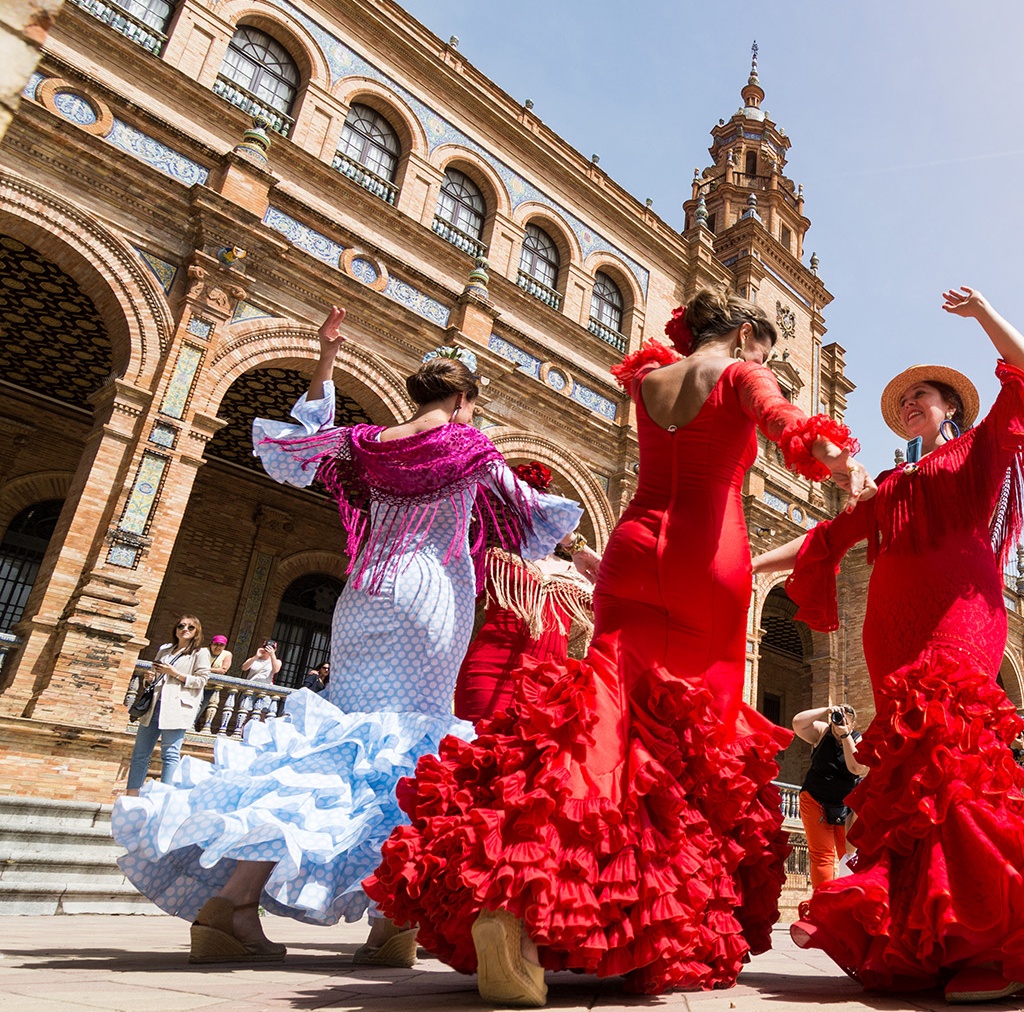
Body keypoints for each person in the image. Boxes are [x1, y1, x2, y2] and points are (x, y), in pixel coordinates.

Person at [367, 287, 869, 1005]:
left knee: (600, 723)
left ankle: (516, 901)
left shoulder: (650, 379)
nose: (768, 360)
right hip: (707, 562)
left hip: (632, 548)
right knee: (691, 746)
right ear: (748, 333)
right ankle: (640, 918)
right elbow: (795, 430)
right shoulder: (740, 374)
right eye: (764, 347)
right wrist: (838, 460)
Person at [111, 307, 581, 967]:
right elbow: (526, 513)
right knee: (411, 750)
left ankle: (234, 904)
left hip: (360, 597)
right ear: (464, 399)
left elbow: (303, 442)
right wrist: (584, 555)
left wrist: (326, 359)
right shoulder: (469, 445)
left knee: (336, 742)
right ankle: (390, 924)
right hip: (427, 598)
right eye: (471, 405)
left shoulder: (368, 444)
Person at [755, 286, 1024, 1001]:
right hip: (890, 631)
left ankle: (996, 938)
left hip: (962, 615)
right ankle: (942, 937)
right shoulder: (891, 482)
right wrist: (746, 563)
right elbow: (824, 540)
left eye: (922, 398)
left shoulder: (978, 452)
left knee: (953, 756)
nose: (909, 407)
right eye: (903, 403)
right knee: (914, 784)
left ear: (951, 409)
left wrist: (985, 312)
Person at [453, 462, 602, 723]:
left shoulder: (580, 573)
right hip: (487, 672)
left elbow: (619, 610)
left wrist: (583, 550)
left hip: (549, 686)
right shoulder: (494, 558)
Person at [124, 615, 211, 796]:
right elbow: (157, 677)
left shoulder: (200, 653)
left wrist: (174, 673)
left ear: (197, 631)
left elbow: (201, 680)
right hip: (154, 706)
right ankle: (132, 796)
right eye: (181, 626)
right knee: (140, 754)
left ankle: (165, 797)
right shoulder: (165, 650)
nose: (185, 629)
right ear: (175, 629)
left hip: (177, 707)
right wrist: (149, 680)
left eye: (190, 627)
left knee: (170, 754)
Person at [792, 704, 866, 891]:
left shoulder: (858, 739)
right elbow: (797, 723)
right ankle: (822, 903)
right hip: (815, 799)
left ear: (853, 724)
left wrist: (845, 735)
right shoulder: (823, 732)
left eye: (844, 721)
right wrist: (827, 710)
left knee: (848, 854)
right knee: (821, 855)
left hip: (845, 806)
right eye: (837, 719)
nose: (839, 724)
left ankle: (848, 899)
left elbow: (856, 768)